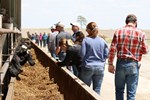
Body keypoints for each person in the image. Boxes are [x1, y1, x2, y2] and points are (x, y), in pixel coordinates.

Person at [108, 14, 149, 100]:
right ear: (135, 22)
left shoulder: (118, 31)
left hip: (121, 63)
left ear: (126, 21)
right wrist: (137, 51)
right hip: (133, 64)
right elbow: (145, 50)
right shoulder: (141, 33)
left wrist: (110, 64)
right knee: (131, 94)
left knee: (119, 91)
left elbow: (112, 49)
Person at [79, 22, 109, 95]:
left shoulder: (86, 40)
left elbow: (82, 54)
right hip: (100, 67)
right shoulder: (102, 41)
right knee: (97, 90)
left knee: (85, 89)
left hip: (88, 66)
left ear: (89, 30)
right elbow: (107, 55)